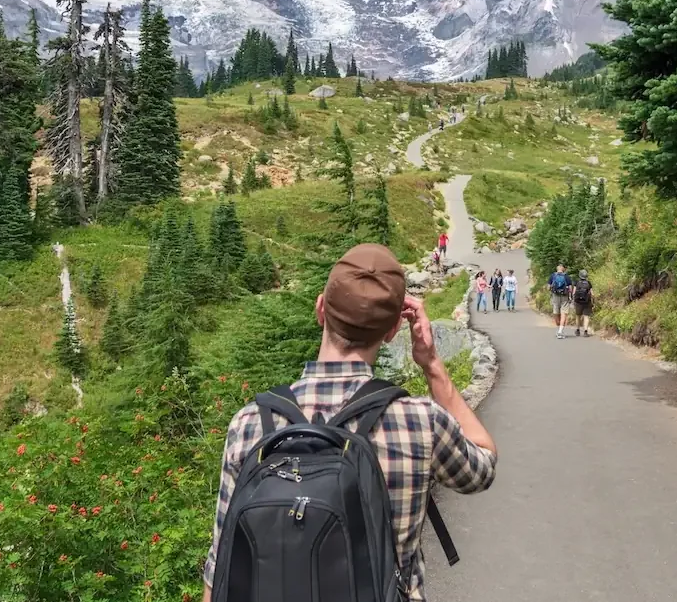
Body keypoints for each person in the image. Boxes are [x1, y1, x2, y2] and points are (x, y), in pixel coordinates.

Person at [205, 244, 497, 602]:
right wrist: (433, 366)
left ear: (320, 309)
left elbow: (221, 565)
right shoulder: (421, 422)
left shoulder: (251, 423)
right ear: (392, 331)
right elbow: (482, 466)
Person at [548, 264, 573, 338]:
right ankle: (560, 331)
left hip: (555, 296)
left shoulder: (553, 276)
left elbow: (548, 287)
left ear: (557, 269)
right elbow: (570, 289)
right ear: (563, 269)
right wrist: (569, 295)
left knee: (556, 312)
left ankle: (558, 328)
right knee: (563, 313)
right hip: (564, 296)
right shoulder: (566, 276)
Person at [572, 268, 593, 336]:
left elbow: (574, 293)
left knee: (578, 316)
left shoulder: (576, 282)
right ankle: (585, 331)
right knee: (586, 316)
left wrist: (573, 300)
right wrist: (593, 301)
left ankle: (577, 330)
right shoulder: (588, 283)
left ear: (579, 275)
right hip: (587, 302)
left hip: (578, 302)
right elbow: (592, 294)